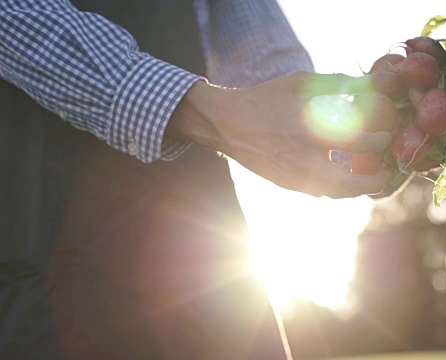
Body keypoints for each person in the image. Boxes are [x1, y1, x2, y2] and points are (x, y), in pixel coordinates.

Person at [0, 0, 398, 359]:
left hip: (203, 256)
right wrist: (190, 106)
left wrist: (382, 140)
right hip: (45, 225)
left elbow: (270, 71)